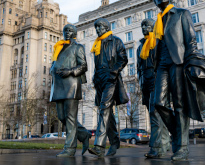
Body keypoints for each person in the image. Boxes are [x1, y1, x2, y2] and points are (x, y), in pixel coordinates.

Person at [151, 0, 205, 161]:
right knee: (158, 103)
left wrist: (191, 61)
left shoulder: (182, 13)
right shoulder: (157, 21)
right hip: (162, 64)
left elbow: (190, 39)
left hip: (179, 62)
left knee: (180, 105)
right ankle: (178, 135)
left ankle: (182, 147)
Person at [88, 18, 129, 158]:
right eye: (96, 27)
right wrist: (94, 77)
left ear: (106, 27)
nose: (98, 30)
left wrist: (114, 72)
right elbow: (97, 64)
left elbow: (123, 59)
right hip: (99, 79)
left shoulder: (116, 41)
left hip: (111, 78)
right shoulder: (97, 44)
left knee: (105, 108)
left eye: (100, 27)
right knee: (106, 111)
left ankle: (99, 146)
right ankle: (115, 140)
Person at [49, 24, 91, 157]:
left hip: (71, 85)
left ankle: (70, 149)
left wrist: (70, 71)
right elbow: (54, 63)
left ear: (74, 33)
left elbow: (83, 66)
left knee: (70, 118)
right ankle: (84, 135)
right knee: (62, 117)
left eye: (70, 30)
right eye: (65, 30)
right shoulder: (58, 47)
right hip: (58, 86)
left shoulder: (78, 47)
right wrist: (52, 69)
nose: (67, 32)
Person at [136, 18, 170, 158]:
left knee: (155, 113)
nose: (144, 28)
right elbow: (139, 67)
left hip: (158, 80)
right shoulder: (140, 47)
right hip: (146, 82)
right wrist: (141, 82)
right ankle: (164, 143)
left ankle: (155, 147)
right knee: (155, 114)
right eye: (143, 26)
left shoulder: (158, 42)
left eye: (147, 26)